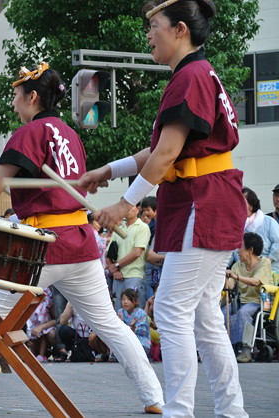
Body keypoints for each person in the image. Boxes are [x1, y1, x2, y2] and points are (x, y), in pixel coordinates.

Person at [0, 62, 163, 416]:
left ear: (32, 96)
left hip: (42, 248)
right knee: (109, 324)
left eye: (15, 96)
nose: (12, 103)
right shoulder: (69, 134)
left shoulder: (29, 133)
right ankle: (154, 397)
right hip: (81, 245)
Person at [79, 1, 248, 416]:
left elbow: (166, 153)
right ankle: (232, 411)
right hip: (209, 198)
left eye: (154, 26)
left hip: (203, 201)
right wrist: (106, 170)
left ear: (180, 30)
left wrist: (124, 204)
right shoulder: (196, 73)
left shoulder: (190, 76)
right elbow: (160, 149)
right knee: (205, 317)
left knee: (172, 309)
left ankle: (179, 411)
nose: (148, 34)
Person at [224, 232, 273, 363]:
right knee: (224, 312)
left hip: (259, 301)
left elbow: (257, 281)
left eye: (240, 247)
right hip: (241, 301)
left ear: (250, 249)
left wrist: (236, 277)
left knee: (243, 312)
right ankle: (227, 348)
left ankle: (246, 350)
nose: (237, 251)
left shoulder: (264, 263)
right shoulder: (237, 265)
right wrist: (225, 277)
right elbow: (230, 285)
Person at [105, 202, 150, 310]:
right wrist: (115, 270)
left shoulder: (142, 227)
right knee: (118, 313)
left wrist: (116, 265)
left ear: (138, 209)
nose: (128, 210)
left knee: (136, 313)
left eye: (131, 207)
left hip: (134, 275)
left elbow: (137, 252)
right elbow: (108, 254)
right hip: (118, 277)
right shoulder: (118, 229)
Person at [240, 187, 279, 273]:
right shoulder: (235, 225)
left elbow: (278, 243)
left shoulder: (268, 221)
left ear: (251, 205)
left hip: (270, 270)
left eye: (242, 202)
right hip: (242, 271)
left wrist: (267, 261)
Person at [117, 289, 151, 358]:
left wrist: (134, 328)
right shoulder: (120, 312)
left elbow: (143, 331)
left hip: (139, 338)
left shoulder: (141, 313)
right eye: (123, 299)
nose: (125, 302)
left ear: (136, 302)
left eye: (129, 299)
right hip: (124, 337)